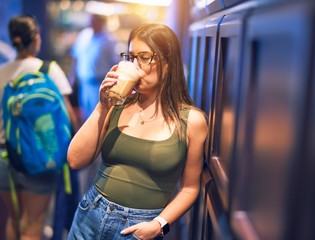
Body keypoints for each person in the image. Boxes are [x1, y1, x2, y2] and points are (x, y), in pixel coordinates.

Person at [67, 23, 208, 239]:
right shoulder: (117, 104)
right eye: (131, 57)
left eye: (144, 57)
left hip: (138, 228)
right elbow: (75, 160)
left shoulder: (191, 121)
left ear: (168, 63)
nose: (135, 65)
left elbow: (190, 188)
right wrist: (102, 105)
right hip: (91, 215)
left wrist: (159, 224)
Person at [0, 15, 80, 240]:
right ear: (36, 39)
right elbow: (68, 116)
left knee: (14, 221)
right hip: (40, 156)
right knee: (33, 224)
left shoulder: (2, 72)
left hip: (4, 158)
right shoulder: (49, 70)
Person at [70, 13, 118, 196]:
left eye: (94, 18)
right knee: (85, 124)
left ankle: (97, 164)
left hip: (100, 85)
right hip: (84, 86)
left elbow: (115, 65)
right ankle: (86, 154)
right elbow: (75, 62)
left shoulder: (109, 40)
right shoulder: (84, 36)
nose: (91, 21)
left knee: (100, 124)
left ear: (101, 21)